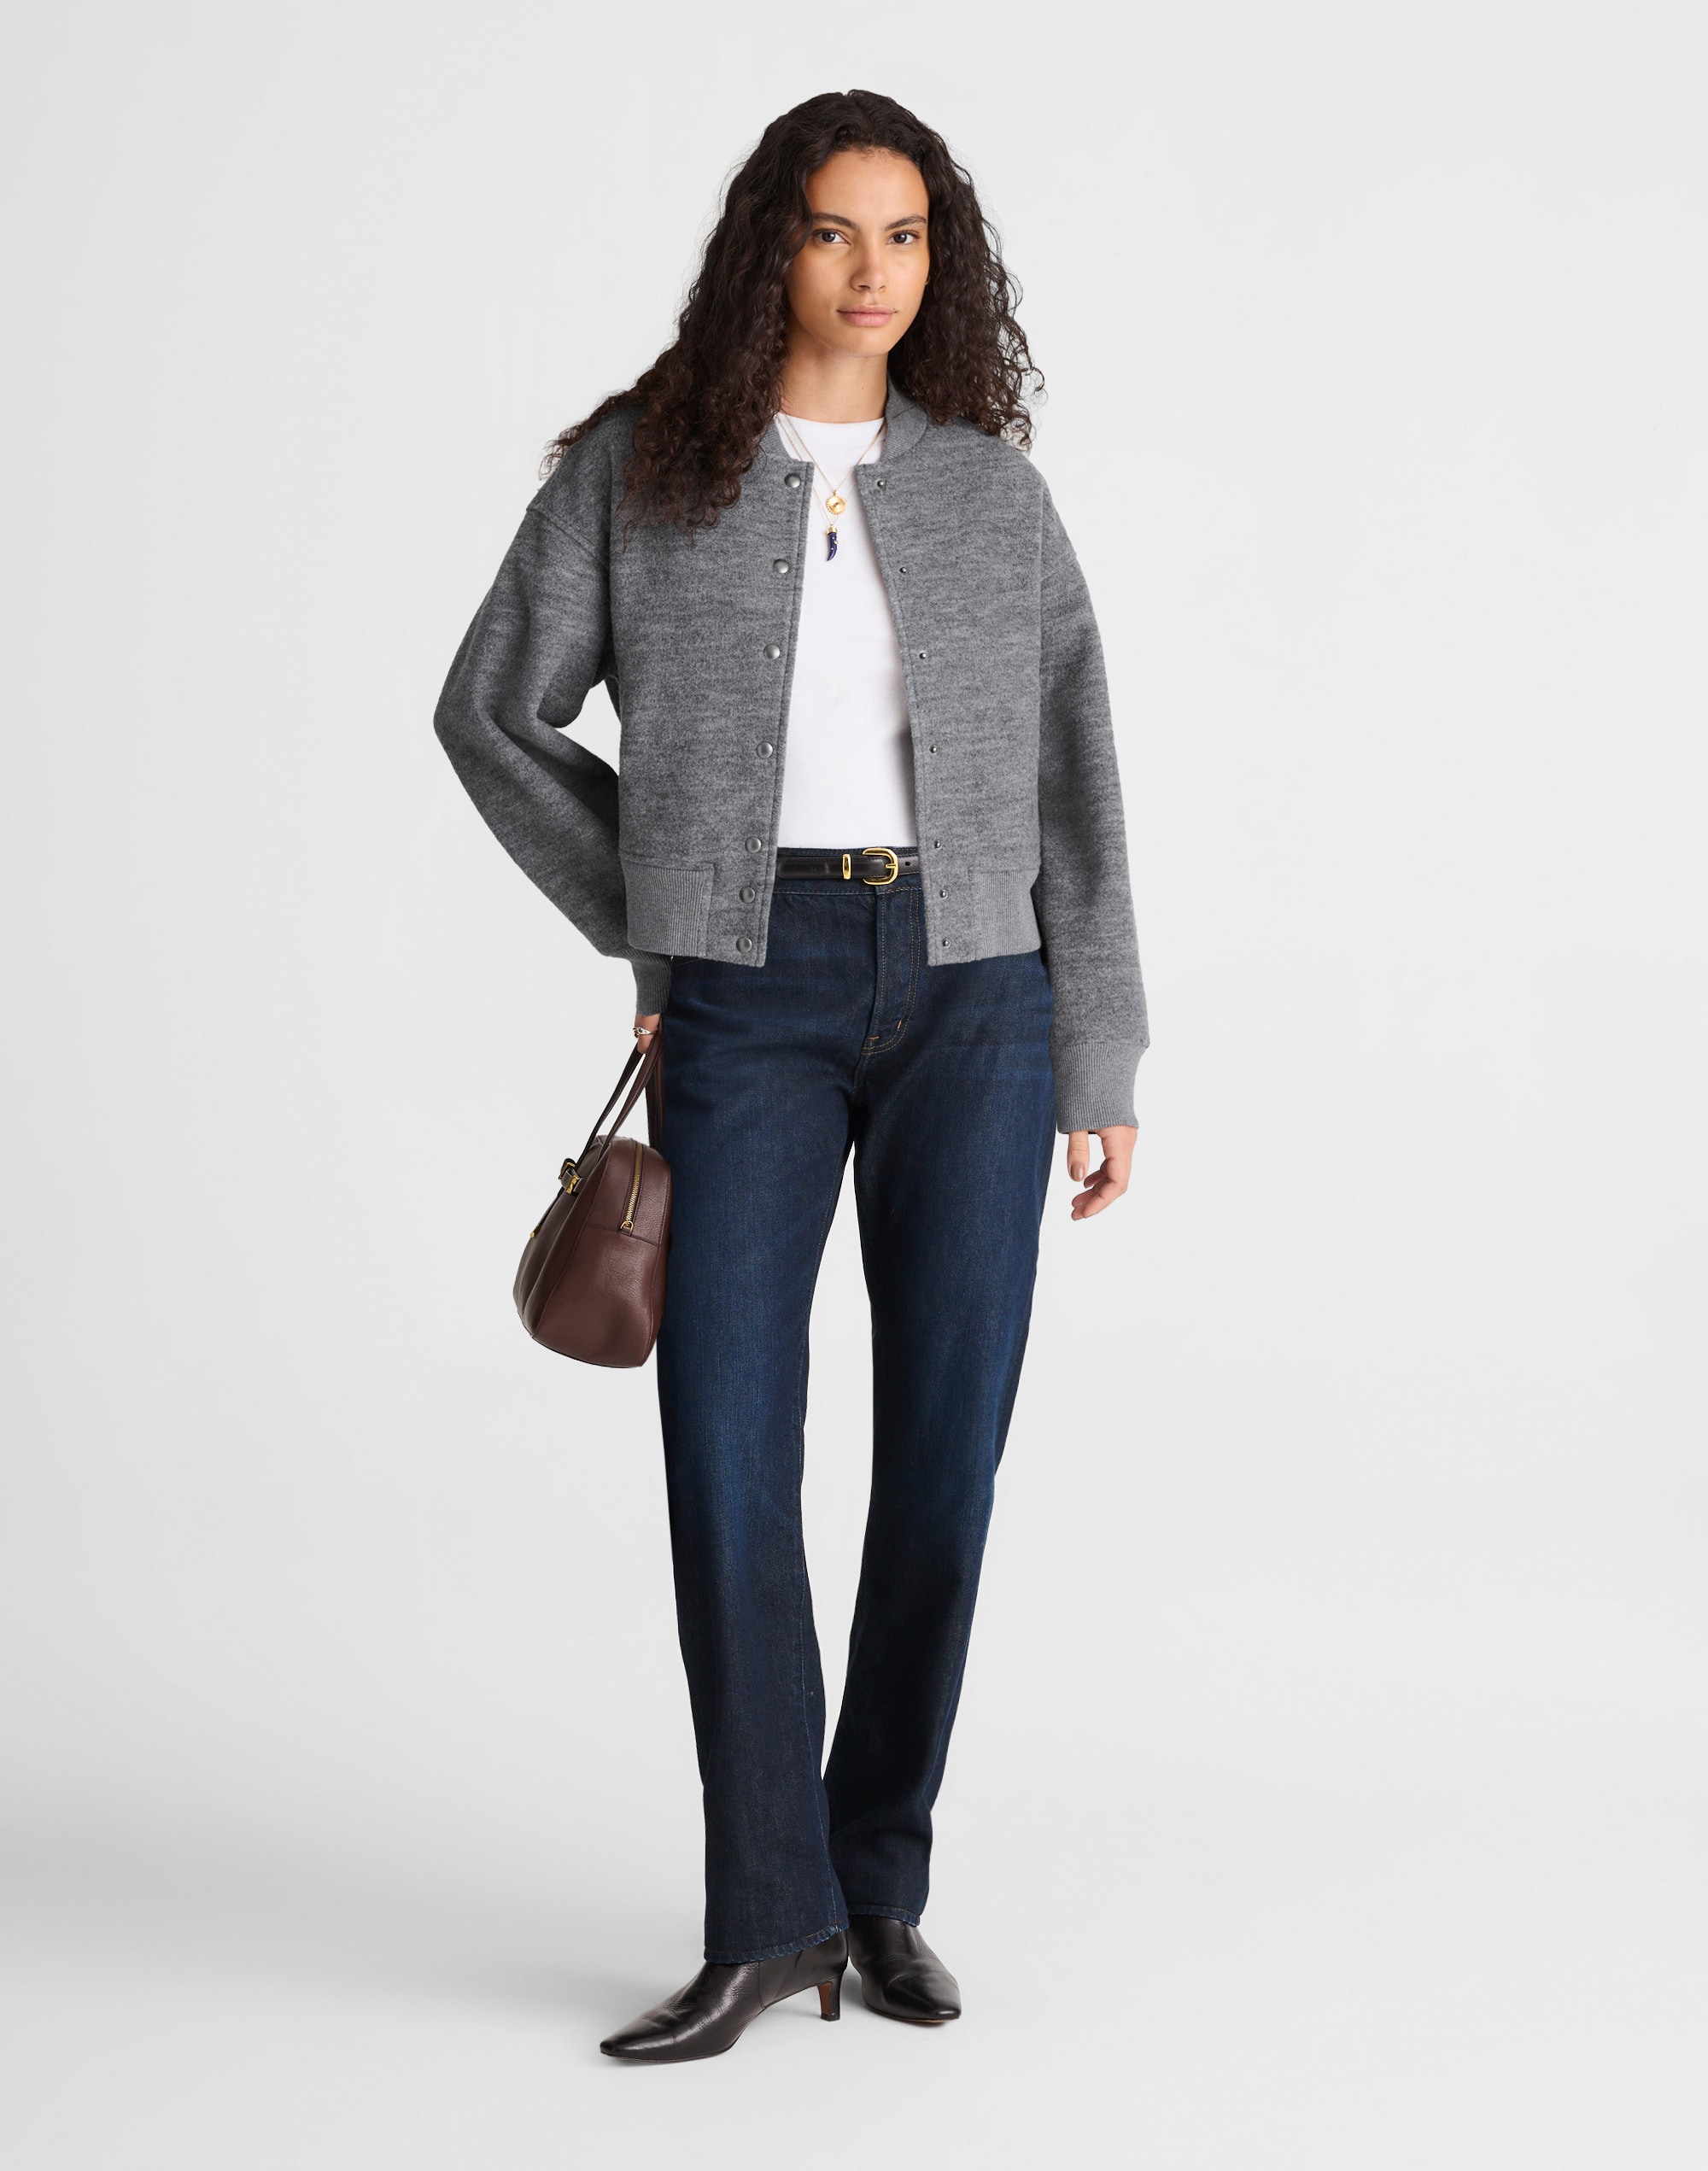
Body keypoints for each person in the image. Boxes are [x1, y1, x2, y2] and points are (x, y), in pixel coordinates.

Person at [434, 87, 1148, 2063]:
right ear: (774, 243)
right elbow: (489, 710)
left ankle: (874, 1883)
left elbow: (1074, 786)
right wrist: (661, 914)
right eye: (835, 229)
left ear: (942, 261)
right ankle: (765, 1917)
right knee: (726, 1449)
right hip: (744, 997)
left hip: (979, 996)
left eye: (906, 234)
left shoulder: (991, 496)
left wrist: (1098, 1046)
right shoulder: (643, 468)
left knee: (943, 1454)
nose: (870, 269)